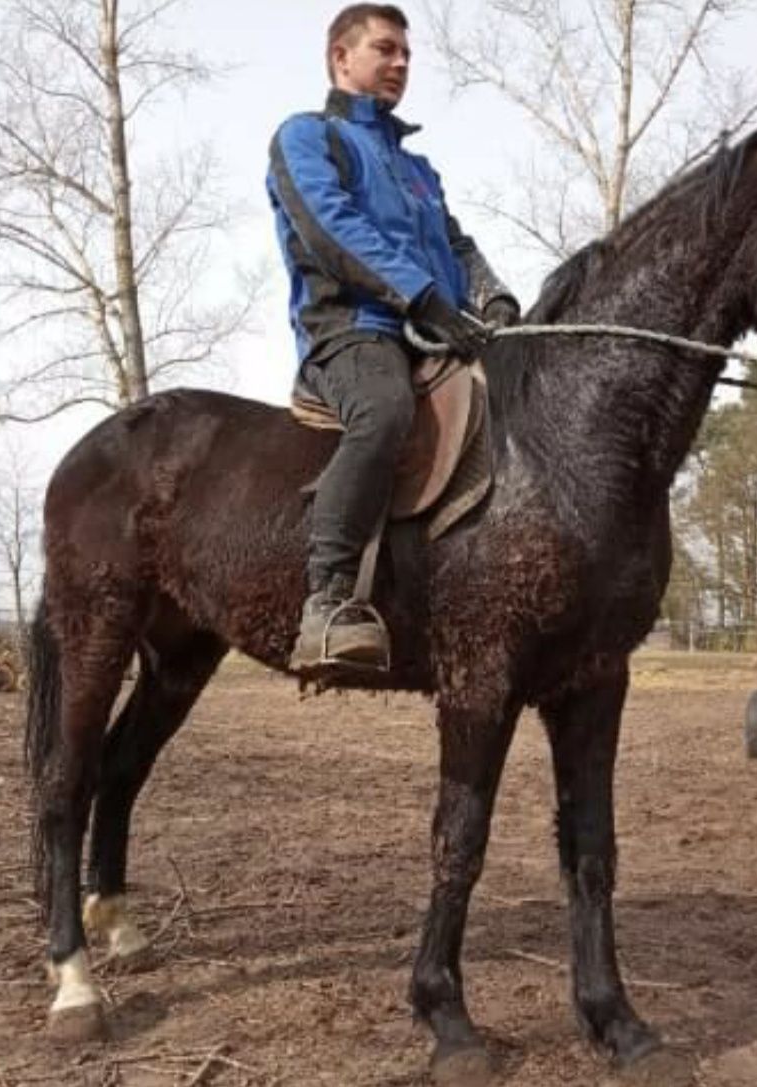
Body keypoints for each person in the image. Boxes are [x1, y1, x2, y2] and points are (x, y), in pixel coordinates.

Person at [267, 3, 519, 674]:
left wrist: (493, 296)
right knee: (384, 411)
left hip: (432, 330)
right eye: (385, 49)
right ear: (340, 59)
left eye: (406, 53)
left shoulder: (418, 168)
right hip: (352, 328)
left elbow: (456, 243)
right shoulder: (305, 138)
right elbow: (331, 227)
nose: (401, 63)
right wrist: (425, 297)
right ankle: (326, 601)